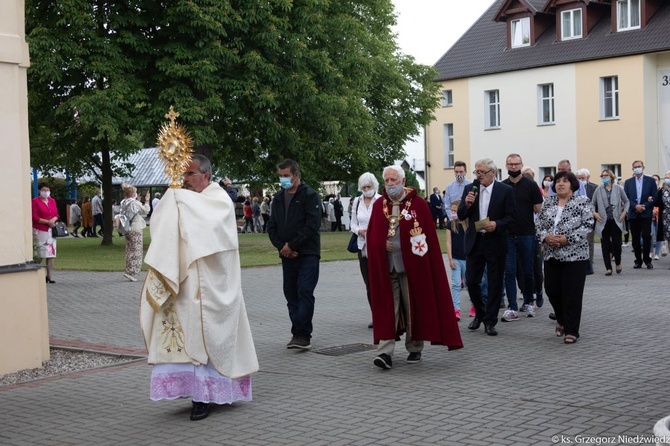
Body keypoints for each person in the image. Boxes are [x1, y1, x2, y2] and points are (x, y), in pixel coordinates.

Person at [140, 154, 258, 421]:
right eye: (183, 176)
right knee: (185, 334)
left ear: (206, 175)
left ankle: (205, 396)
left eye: (190, 175)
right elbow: (165, 226)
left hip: (212, 283)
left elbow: (206, 224)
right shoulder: (183, 199)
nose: (185, 181)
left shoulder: (219, 200)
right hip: (183, 279)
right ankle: (193, 392)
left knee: (207, 335)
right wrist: (173, 202)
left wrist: (176, 198)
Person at [367, 165, 462, 369]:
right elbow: (372, 235)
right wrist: (380, 243)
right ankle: (384, 352)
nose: (390, 184)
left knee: (412, 307)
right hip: (387, 267)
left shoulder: (417, 204)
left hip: (412, 268)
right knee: (387, 308)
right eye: (387, 181)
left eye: (393, 180)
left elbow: (426, 237)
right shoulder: (378, 206)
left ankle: (415, 347)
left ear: (402, 181)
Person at [267, 159, 322, 350]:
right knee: (290, 294)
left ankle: (303, 334)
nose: (283, 180)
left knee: (304, 291)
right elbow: (272, 226)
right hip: (286, 255)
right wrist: (282, 247)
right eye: (280, 176)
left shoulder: (310, 196)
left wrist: (293, 244)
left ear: (296, 175)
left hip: (307, 253)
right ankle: (296, 331)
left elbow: (312, 225)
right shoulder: (278, 198)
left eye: (286, 176)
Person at [457, 158, 516, 336]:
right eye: (476, 172)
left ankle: (490, 321)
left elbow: (512, 217)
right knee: (471, 281)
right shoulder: (470, 189)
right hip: (475, 241)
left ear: (492, 173)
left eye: (481, 172)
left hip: (495, 240)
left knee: (495, 283)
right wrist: (467, 204)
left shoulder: (505, 191)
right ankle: (481, 313)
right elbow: (460, 214)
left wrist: (497, 224)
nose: (478, 176)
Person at [536, 170, 594, 344]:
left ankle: (571, 330)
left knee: (572, 294)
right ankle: (560, 319)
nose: (560, 184)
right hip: (552, 255)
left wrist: (567, 239)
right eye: (557, 181)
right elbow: (539, 224)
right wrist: (546, 237)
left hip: (574, 256)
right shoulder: (549, 202)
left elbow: (588, 224)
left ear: (573, 184)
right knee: (552, 290)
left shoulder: (582, 201)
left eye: (565, 181)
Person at [500, 154, 543, 322]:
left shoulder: (531, 185)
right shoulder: (502, 186)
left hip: (527, 233)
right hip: (508, 234)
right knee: (509, 271)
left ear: (521, 165)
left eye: (516, 164)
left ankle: (528, 302)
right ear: (506, 166)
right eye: (510, 164)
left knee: (527, 270)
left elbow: (539, 209)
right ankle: (512, 307)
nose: (513, 167)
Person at [349, 172, 382, 328]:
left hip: (379, 247)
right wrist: (360, 231)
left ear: (374, 185)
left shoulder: (381, 200)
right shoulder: (357, 202)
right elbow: (353, 224)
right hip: (363, 247)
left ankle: (387, 314)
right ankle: (376, 315)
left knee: (381, 283)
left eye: (369, 186)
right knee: (369, 284)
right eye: (363, 187)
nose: (366, 189)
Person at [592, 169, 629, 275]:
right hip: (603, 221)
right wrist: (594, 213)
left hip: (616, 220)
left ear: (611, 177)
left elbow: (626, 201)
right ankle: (608, 268)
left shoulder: (618, 188)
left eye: (606, 175)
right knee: (605, 245)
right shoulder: (598, 189)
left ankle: (618, 263)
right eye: (602, 176)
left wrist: (624, 212)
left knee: (617, 244)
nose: (604, 177)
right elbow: (592, 203)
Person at [623, 160, 658, 269]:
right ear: (632, 169)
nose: (637, 168)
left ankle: (647, 260)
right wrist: (635, 206)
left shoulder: (651, 181)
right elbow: (626, 198)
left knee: (647, 236)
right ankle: (638, 260)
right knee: (636, 239)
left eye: (639, 166)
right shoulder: (628, 182)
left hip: (646, 213)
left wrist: (644, 206)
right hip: (633, 214)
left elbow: (654, 196)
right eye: (635, 167)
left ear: (643, 167)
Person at [119, 184, 150, 282]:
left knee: (129, 250)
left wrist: (138, 200)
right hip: (136, 228)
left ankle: (128, 270)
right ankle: (132, 272)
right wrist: (147, 200)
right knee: (136, 251)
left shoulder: (124, 202)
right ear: (133, 193)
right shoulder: (135, 203)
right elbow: (145, 210)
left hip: (127, 228)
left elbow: (134, 210)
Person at [31, 182, 60, 284]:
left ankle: (49, 275)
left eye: (47, 190)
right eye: (44, 190)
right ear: (39, 191)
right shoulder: (35, 201)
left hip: (51, 230)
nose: (46, 192)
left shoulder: (52, 201)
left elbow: (57, 214)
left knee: (51, 254)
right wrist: (47, 221)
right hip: (40, 230)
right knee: (40, 252)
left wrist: (53, 219)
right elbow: (35, 217)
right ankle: (34, 274)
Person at [446, 200, 467, 321]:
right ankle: (456, 309)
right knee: (456, 284)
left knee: (470, 284)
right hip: (456, 258)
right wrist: (450, 259)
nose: (453, 213)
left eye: (455, 210)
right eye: (452, 210)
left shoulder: (467, 223)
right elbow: (448, 242)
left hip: (467, 259)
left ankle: (474, 306)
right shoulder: (451, 224)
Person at [577, 168, 598, 274]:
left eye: (583, 178)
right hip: (577, 219)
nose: (581, 180)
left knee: (589, 241)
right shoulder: (574, 187)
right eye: (579, 178)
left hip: (590, 217)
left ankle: (589, 261)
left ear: (588, 178)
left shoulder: (594, 188)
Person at [660, 171, 670, 267]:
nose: (667, 179)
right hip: (666, 217)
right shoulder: (663, 190)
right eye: (666, 177)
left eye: (668, 177)